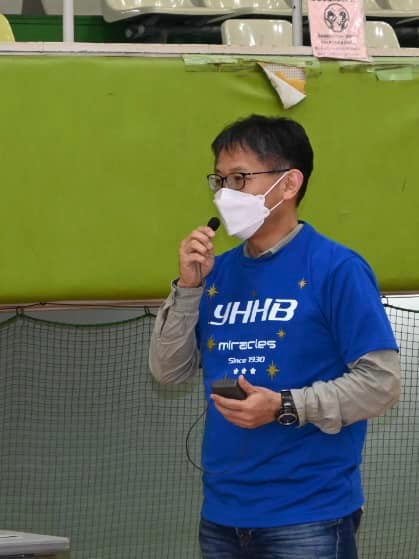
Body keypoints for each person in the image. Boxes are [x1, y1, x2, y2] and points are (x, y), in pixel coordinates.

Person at [149, 114, 400, 559]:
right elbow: (168, 371)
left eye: (240, 178)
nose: (225, 194)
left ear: (289, 184)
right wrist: (188, 287)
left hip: (310, 515)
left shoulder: (337, 268)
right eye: (219, 180)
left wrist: (285, 406)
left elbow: (382, 383)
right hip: (223, 515)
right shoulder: (216, 272)